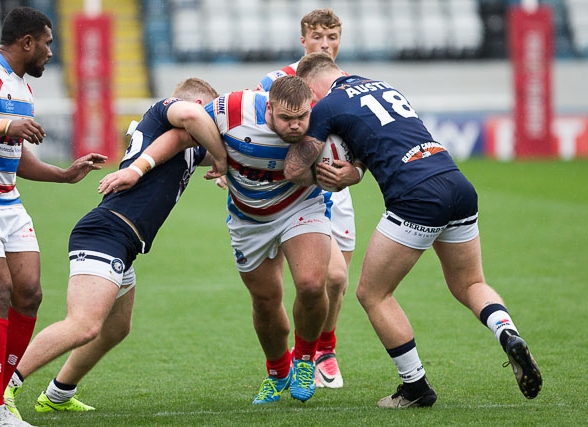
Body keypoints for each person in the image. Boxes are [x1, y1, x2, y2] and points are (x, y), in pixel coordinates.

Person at [284, 52, 543, 408]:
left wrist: (319, 174)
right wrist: (353, 173)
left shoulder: (327, 106)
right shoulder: (384, 87)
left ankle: (415, 388)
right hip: (456, 183)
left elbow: (295, 169)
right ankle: (507, 332)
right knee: (470, 283)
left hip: (415, 197)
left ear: (313, 88)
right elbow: (378, 139)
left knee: (372, 294)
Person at [0, 78, 228, 417]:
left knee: (116, 328)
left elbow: (222, 151)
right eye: (209, 113)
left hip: (123, 242)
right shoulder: (165, 111)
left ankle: (58, 393)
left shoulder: (188, 144)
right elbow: (193, 119)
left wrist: (227, 166)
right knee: (83, 324)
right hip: (106, 232)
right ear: (189, 103)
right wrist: (220, 155)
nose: (211, 124)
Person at [0, 7, 107, 427]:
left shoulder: (21, 87)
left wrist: (64, 175)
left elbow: (14, 158)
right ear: (27, 42)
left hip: (7, 200)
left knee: (30, 293)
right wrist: (4, 125)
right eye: (48, 43)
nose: (51, 53)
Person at [200, 75, 333, 404]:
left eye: (301, 117)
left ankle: (303, 359)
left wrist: (349, 174)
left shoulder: (325, 119)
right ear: (268, 107)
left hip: (302, 206)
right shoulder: (232, 108)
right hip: (249, 220)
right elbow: (186, 126)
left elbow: (361, 157)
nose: (295, 126)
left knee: (313, 284)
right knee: (265, 301)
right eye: (286, 118)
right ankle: (277, 372)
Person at [256, 9, 362, 388]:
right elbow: (251, 125)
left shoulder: (347, 84)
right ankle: (302, 356)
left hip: (334, 189)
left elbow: (364, 140)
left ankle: (325, 351)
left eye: (332, 37)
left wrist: (356, 172)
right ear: (303, 40)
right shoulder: (276, 82)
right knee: (319, 277)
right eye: (318, 37)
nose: (325, 44)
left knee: (337, 282)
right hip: (290, 193)